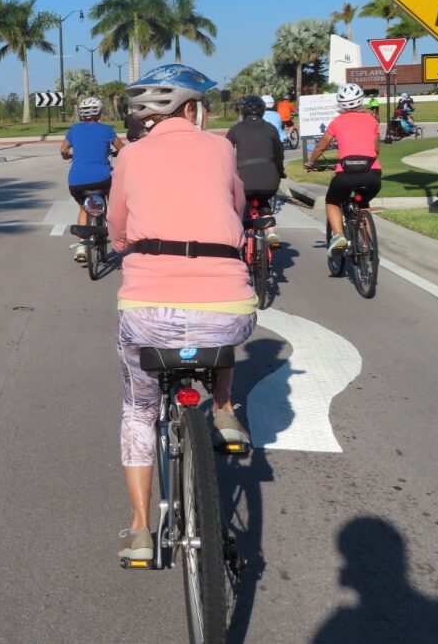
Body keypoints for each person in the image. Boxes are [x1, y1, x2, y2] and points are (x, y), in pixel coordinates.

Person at [106, 64, 257, 560]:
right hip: (227, 308)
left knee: (140, 409)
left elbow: (117, 224)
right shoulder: (220, 147)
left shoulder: (131, 154)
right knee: (220, 333)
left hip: (149, 311)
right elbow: (236, 206)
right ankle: (222, 409)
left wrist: (127, 243)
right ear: (191, 109)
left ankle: (140, 530)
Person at [305, 83, 382, 254]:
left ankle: (339, 235)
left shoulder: (337, 122)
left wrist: (311, 162)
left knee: (332, 201)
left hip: (345, 175)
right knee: (362, 203)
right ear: (361, 100)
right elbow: (376, 148)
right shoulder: (371, 120)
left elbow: (321, 147)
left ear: (340, 103)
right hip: (372, 174)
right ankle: (368, 245)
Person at [61, 97, 124, 263]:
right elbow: (122, 148)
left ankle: (81, 247)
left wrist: (69, 154)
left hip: (76, 182)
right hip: (102, 180)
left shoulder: (74, 130)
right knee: (114, 202)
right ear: (100, 114)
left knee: (83, 209)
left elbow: (63, 150)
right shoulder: (106, 130)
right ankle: (118, 233)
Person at [227, 95, 286, 247]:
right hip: (270, 180)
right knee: (263, 201)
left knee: (243, 206)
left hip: (245, 179)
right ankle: (271, 232)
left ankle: (240, 240)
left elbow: (224, 151)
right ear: (262, 111)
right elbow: (279, 155)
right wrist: (280, 172)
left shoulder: (236, 129)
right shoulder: (271, 129)